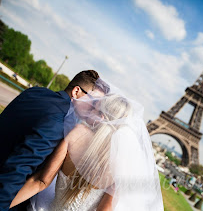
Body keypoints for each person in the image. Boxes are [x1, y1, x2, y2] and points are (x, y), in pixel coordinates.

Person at [9, 79, 164, 211]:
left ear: (102, 116)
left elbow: (41, 181)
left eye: (94, 110)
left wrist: (4, 204)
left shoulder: (76, 133)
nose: (89, 113)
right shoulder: (123, 160)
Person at [0, 70, 99, 211]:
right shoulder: (59, 121)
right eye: (93, 102)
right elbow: (19, 168)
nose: (94, 107)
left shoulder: (35, 92)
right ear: (76, 91)